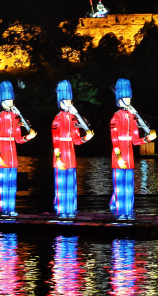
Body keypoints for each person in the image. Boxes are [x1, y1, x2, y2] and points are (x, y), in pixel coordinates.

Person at [109, 79, 156, 219]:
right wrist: (118, 158)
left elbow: (135, 141)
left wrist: (148, 139)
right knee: (119, 186)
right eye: (125, 98)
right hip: (119, 156)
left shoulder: (132, 118)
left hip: (129, 156)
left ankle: (128, 210)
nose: (128, 100)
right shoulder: (115, 117)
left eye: (129, 98)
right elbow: (114, 139)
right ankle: (118, 211)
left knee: (129, 186)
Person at [0, 81, 36, 216]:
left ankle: (11, 209)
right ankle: (4, 209)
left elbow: (18, 139)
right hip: (3, 152)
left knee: (12, 184)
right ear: (2, 101)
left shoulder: (16, 117)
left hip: (13, 154)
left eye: (11, 100)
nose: (10, 102)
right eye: (7, 100)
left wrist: (29, 137)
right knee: (3, 183)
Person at [52, 80, 94, 218]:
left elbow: (76, 140)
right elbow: (55, 141)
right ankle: (61, 208)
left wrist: (86, 138)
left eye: (70, 100)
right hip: (61, 156)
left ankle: (71, 208)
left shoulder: (73, 119)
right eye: (66, 100)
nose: (69, 103)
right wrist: (58, 159)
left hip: (71, 156)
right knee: (61, 184)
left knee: (71, 184)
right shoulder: (57, 119)